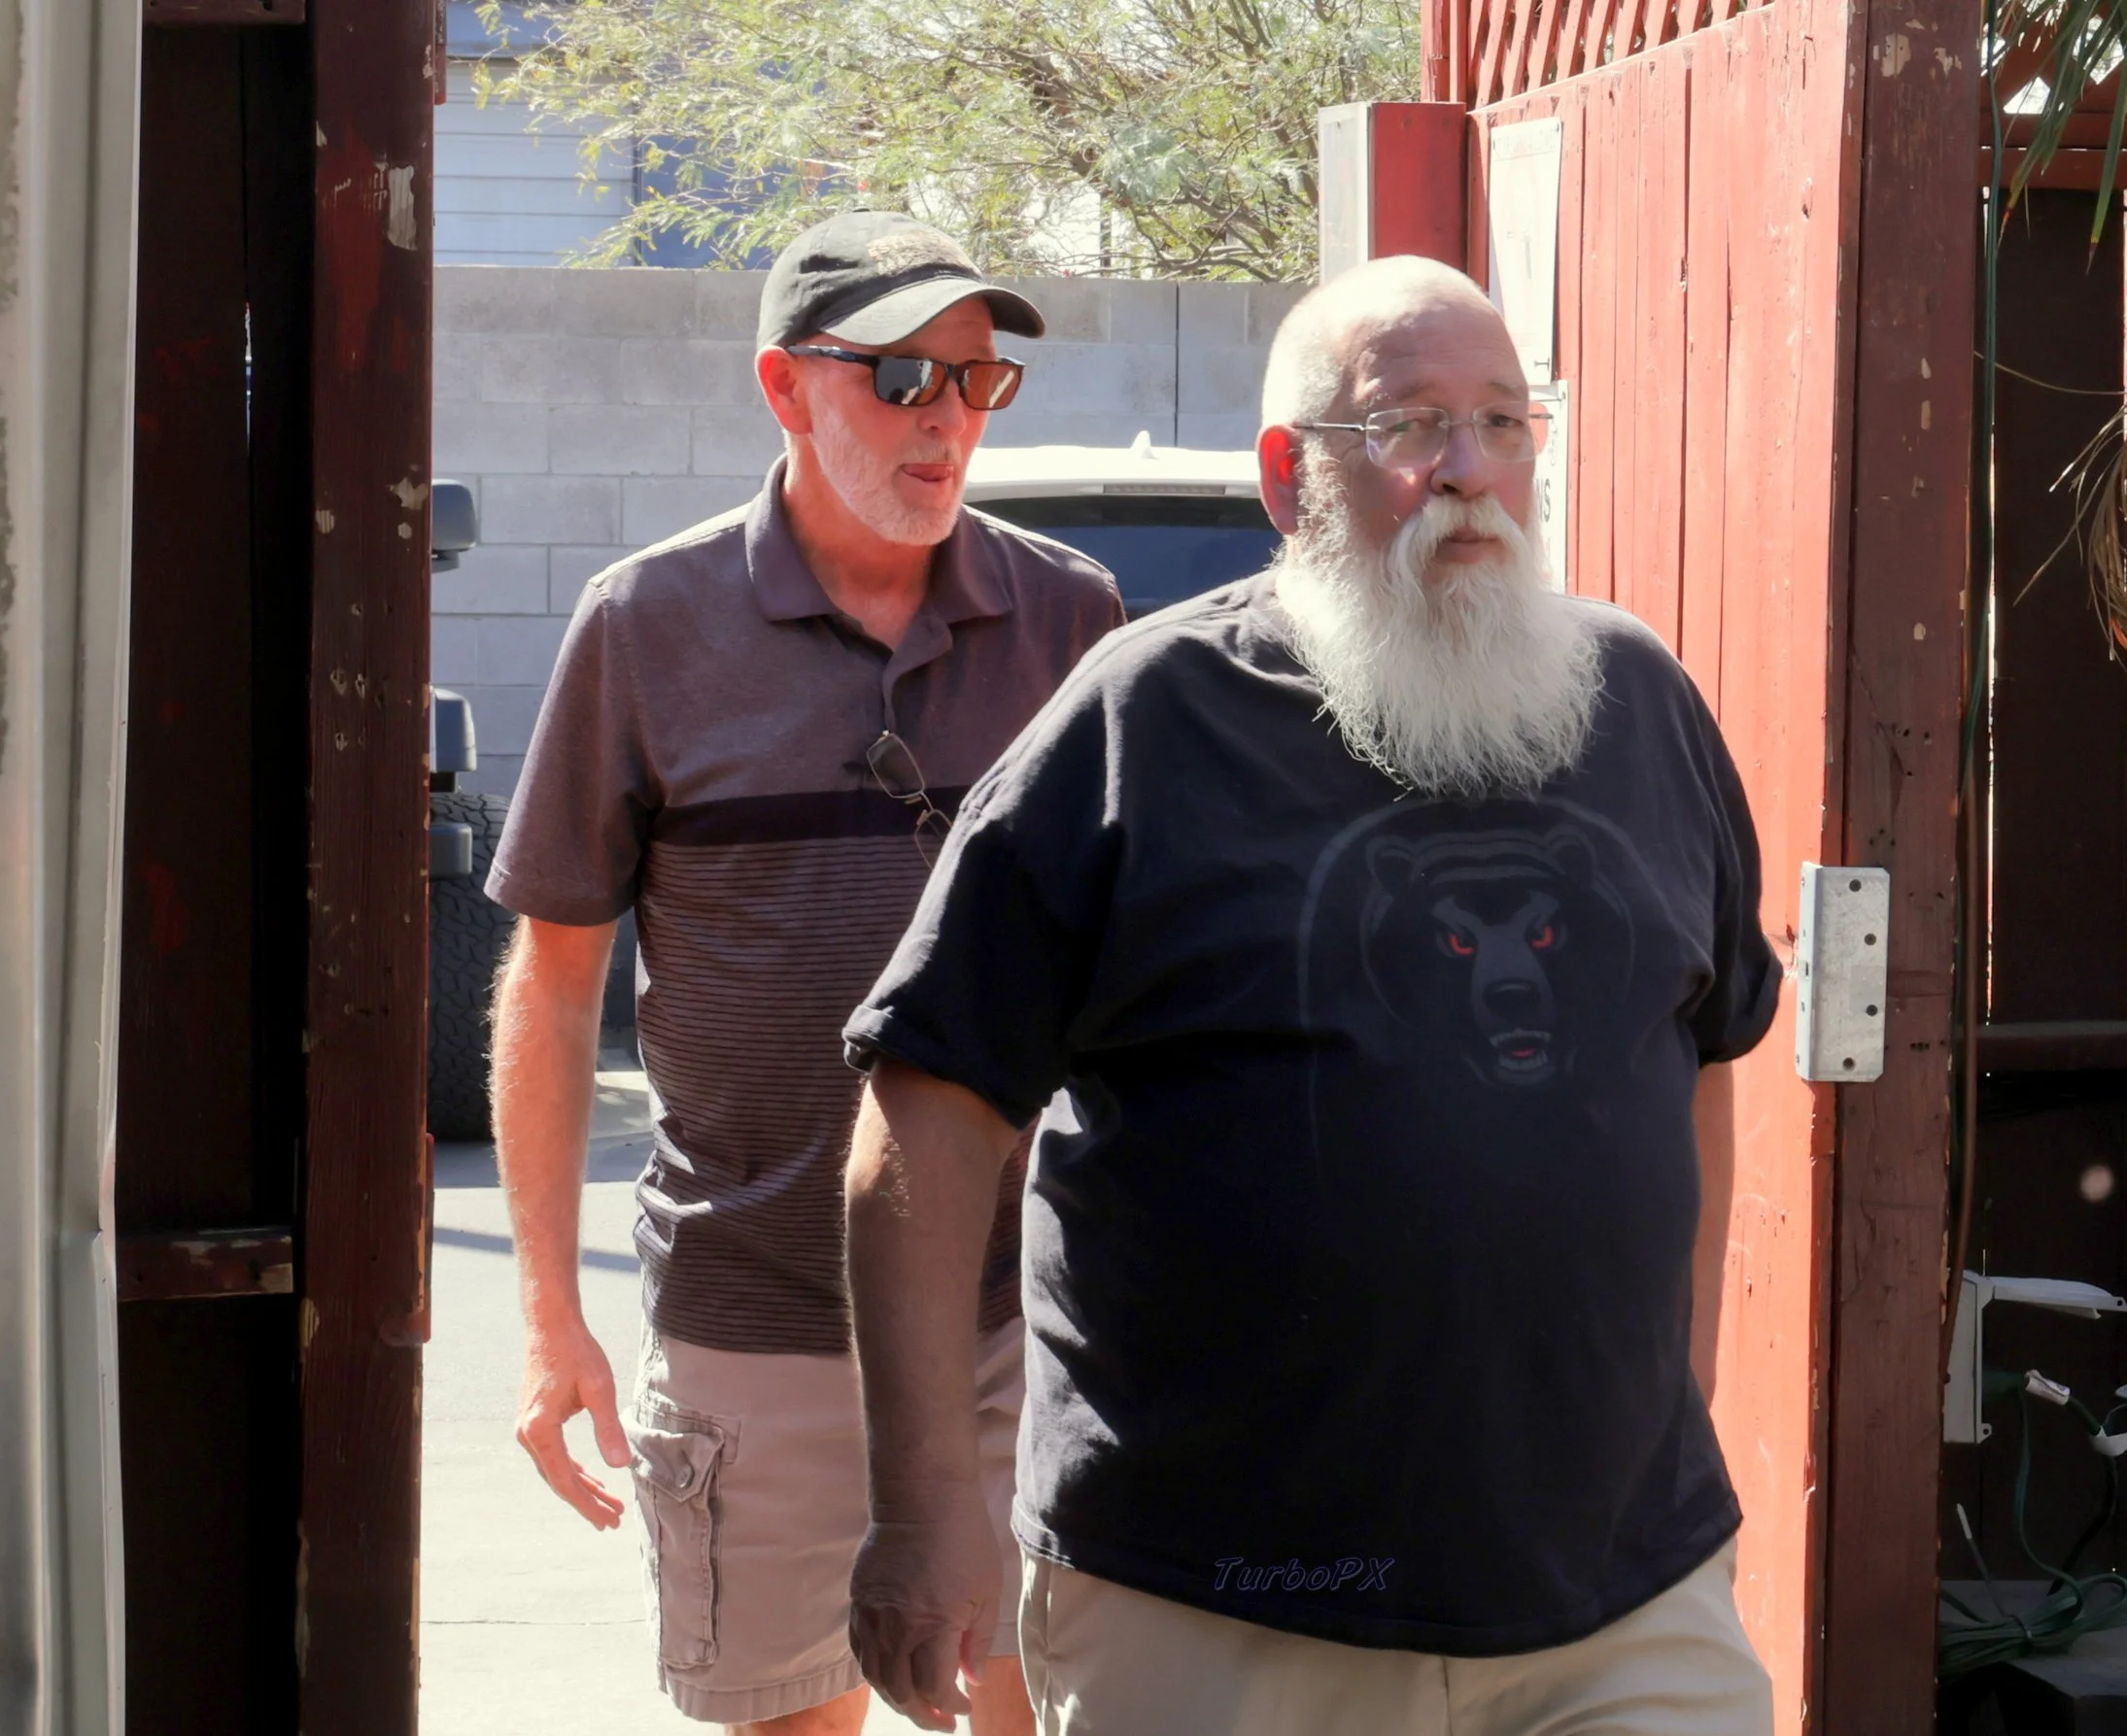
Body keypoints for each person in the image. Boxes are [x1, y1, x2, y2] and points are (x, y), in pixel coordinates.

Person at [835, 254, 1782, 1736]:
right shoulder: (1144, 720)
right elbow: (926, 1109)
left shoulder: (1639, 701)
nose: (1468, 470)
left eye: (1504, 421)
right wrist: (921, 1503)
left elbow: (1701, 1052)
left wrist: (1685, 1391)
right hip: (1223, 1606)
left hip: (1622, 1597)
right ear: (1287, 477)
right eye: (1407, 424)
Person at [486, 211, 1123, 1736]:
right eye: (901, 377)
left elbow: (1138, 972)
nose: (946, 419)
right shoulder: (644, 627)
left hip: (1010, 1314)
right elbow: (554, 982)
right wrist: (550, 1314)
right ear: (783, 386)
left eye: (976, 378)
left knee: (1046, 1715)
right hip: (753, 1322)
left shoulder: (1072, 619)